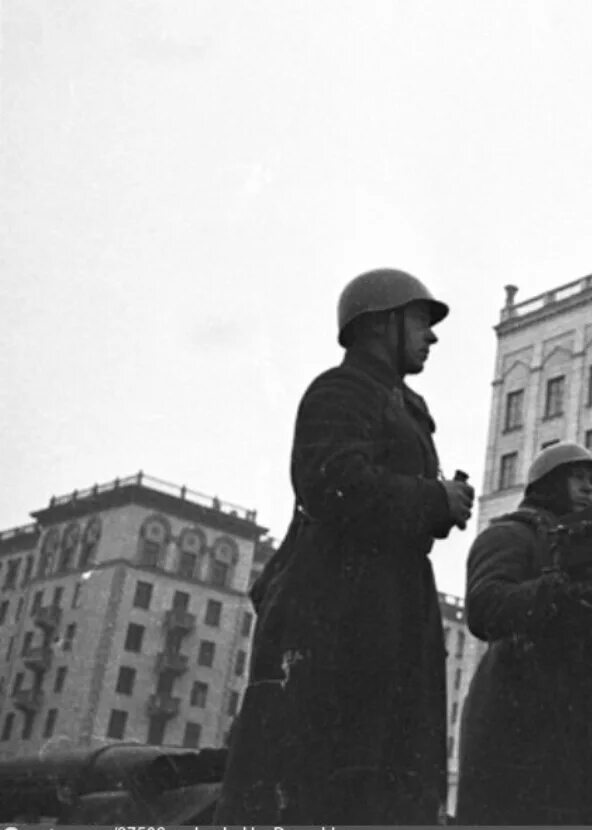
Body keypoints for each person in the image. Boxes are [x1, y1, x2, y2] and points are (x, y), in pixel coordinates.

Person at [213, 268, 475, 825]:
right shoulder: (341, 390)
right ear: (382, 324)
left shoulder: (396, 401)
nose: (432, 337)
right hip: (342, 614)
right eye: (421, 321)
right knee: (333, 778)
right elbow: (333, 483)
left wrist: (439, 503)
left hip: (386, 607)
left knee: (384, 777)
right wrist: (435, 499)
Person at [455, 444, 592, 825]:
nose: (589, 489)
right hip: (517, 703)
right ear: (550, 483)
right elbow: (484, 607)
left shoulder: (586, 547)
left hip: (575, 711)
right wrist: (555, 589)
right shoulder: (510, 535)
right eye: (578, 477)